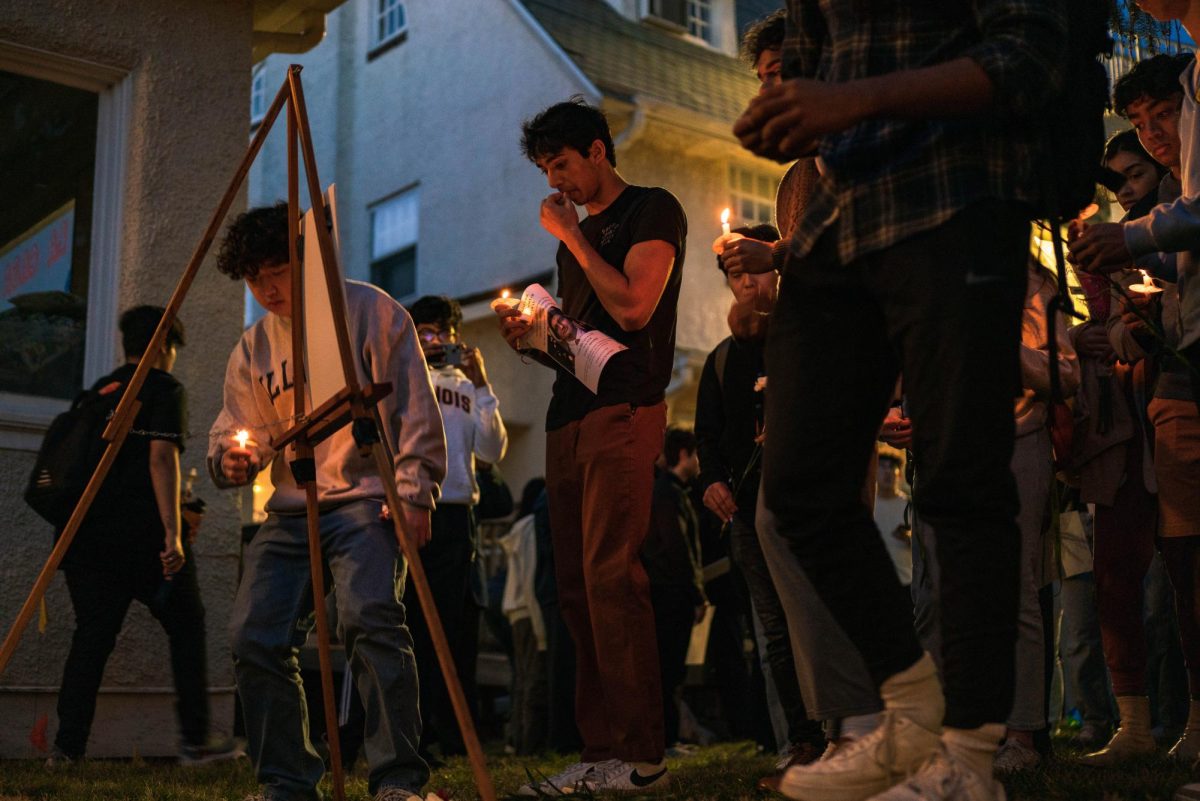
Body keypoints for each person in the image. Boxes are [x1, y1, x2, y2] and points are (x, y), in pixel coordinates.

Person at [734, 1, 1066, 798]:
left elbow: (1031, 56)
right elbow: (816, 72)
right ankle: (909, 703)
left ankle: (972, 752)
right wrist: (792, 116)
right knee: (798, 488)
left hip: (958, 194)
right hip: (839, 221)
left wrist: (858, 99)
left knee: (960, 482)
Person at [208, 203, 446, 801]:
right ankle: (288, 782)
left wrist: (415, 491)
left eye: (277, 271)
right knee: (254, 635)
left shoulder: (370, 312)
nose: (267, 289)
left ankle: (396, 779)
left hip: (366, 498)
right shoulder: (254, 349)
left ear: (306, 260)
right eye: (254, 279)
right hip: (292, 508)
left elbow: (415, 409)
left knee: (370, 617)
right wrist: (232, 459)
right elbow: (239, 429)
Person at [497, 98, 686, 795]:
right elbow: (582, 342)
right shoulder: (568, 234)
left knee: (613, 575)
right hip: (567, 415)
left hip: (624, 408)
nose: (556, 182)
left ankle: (644, 756)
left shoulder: (651, 209)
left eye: (564, 165)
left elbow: (634, 308)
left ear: (599, 152)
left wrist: (576, 238)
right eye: (547, 170)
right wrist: (533, 335)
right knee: (574, 587)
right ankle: (600, 748)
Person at [47, 306, 242, 768]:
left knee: (92, 636)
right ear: (162, 346)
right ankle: (195, 741)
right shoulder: (162, 388)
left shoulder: (100, 391)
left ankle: (66, 749)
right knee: (187, 623)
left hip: (84, 538)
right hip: (143, 538)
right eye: (173, 348)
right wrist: (173, 535)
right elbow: (160, 459)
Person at [696, 221, 829, 778]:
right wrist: (713, 480)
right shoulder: (724, 358)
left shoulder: (807, 336)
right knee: (773, 625)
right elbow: (707, 433)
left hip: (805, 503)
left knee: (816, 617)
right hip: (749, 508)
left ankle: (841, 731)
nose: (744, 284)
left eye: (751, 269)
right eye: (734, 275)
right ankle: (799, 738)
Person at [405, 294, 507, 760]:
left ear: (454, 338)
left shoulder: (465, 387)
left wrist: (482, 383)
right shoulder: (406, 378)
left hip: (456, 512)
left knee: (457, 626)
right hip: (412, 509)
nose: (432, 341)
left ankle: (453, 736)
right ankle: (416, 734)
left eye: (439, 333)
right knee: (414, 626)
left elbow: (490, 450)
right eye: (423, 333)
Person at [643, 426, 707, 752]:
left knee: (668, 669)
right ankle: (666, 739)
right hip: (670, 593)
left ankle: (668, 737)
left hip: (668, 591)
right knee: (669, 669)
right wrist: (696, 593)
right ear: (683, 455)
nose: (698, 462)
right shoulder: (668, 494)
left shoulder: (667, 492)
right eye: (695, 455)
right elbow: (678, 547)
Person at [872, 450, 911, 588]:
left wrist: (909, 539)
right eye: (882, 466)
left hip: (906, 582)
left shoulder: (910, 508)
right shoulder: (868, 506)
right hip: (875, 583)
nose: (887, 471)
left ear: (899, 474)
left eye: (892, 467)